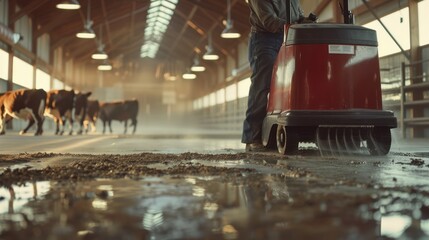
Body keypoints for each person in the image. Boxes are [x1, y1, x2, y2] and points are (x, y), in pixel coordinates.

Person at [242, 0, 305, 152]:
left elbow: (299, 15)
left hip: (289, 37)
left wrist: (305, 21)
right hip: (265, 40)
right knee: (262, 84)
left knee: (292, 82)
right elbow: (269, 22)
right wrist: (296, 24)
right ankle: (252, 137)